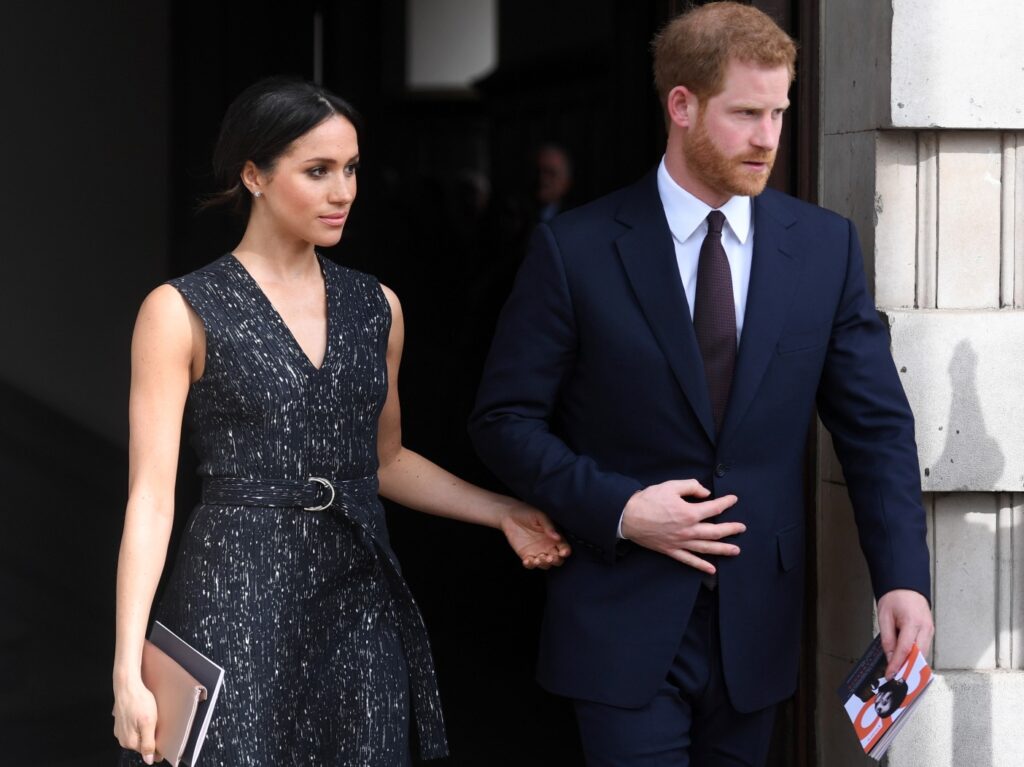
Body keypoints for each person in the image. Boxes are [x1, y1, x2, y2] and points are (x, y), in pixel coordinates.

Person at [468, 3, 933, 765]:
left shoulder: (823, 248)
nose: (769, 137)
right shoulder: (574, 250)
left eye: (779, 112)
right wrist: (618, 507)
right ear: (680, 105)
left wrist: (902, 581)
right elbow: (504, 420)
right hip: (620, 622)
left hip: (760, 630)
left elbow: (875, 427)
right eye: (746, 113)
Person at [112, 77, 569, 767]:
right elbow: (150, 496)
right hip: (234, 597)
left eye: (351, 168)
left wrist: (501, 509)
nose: (344, 191)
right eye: (318, 170)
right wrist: (126, 665)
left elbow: (384, 460)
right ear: (253, 175)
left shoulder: (376, 306)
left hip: (359, 600)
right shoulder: (179, 310)